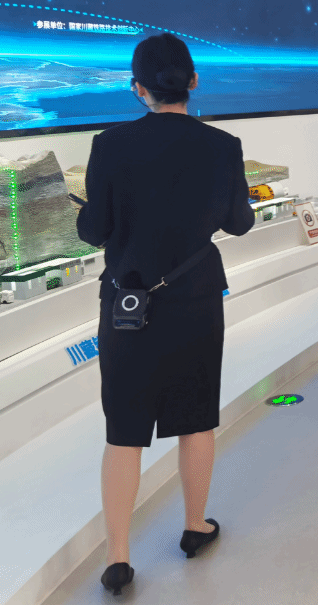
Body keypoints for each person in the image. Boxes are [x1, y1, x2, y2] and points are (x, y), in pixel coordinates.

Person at [76, 34, 254, 596]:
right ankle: (195, 527)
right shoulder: (223, 145)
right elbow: (239, 223)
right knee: (195, 418)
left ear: (138, 88)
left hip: (127, 302)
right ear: (193, 81)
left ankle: (118, 558)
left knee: (123, 432)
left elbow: (95, 231)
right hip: (194, 298)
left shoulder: (109, 144)